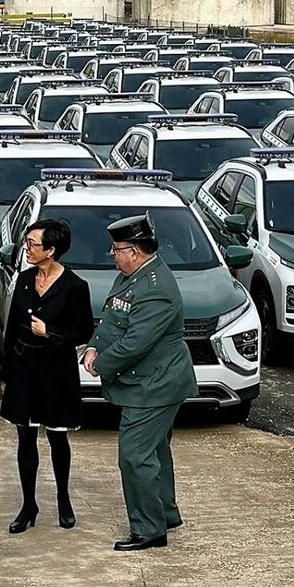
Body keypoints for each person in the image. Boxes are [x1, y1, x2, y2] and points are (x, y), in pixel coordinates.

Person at [83, 213, 197, 552]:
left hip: (156, 385)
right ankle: (165, 513)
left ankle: (149, 530)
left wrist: (101, 363)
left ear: (134, 251)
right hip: (147, 383)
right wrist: (92, 345)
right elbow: (113, 319)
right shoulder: (132, 276)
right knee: (155, 451)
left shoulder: (155, 289)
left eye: (116, 250)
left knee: (135, 455)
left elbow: (136, 341)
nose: (112, 255)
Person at [0, 218, 93, 534]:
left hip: (56, 372)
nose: (27, 248)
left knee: (57, 437)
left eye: (32, 244)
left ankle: (63, 499)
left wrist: (49, 332)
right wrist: (6, 372)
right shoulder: (24, 279)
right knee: (25, 437)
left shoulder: (75, 286)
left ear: (50, 250)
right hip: (24, 369)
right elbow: (12, 327)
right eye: (26, 242)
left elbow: (83, 331)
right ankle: (28, 505)